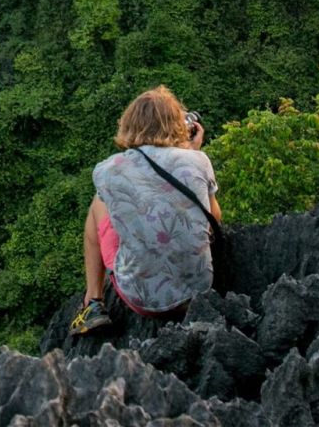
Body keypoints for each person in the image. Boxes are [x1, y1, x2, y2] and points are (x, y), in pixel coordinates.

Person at [69, 85, 220, 335]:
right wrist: (192, 152)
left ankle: (93, 303)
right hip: (198, 291)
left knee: (98, 203)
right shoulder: (198, 160)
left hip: (141, 299)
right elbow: (214, 217)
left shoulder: (108, 170)